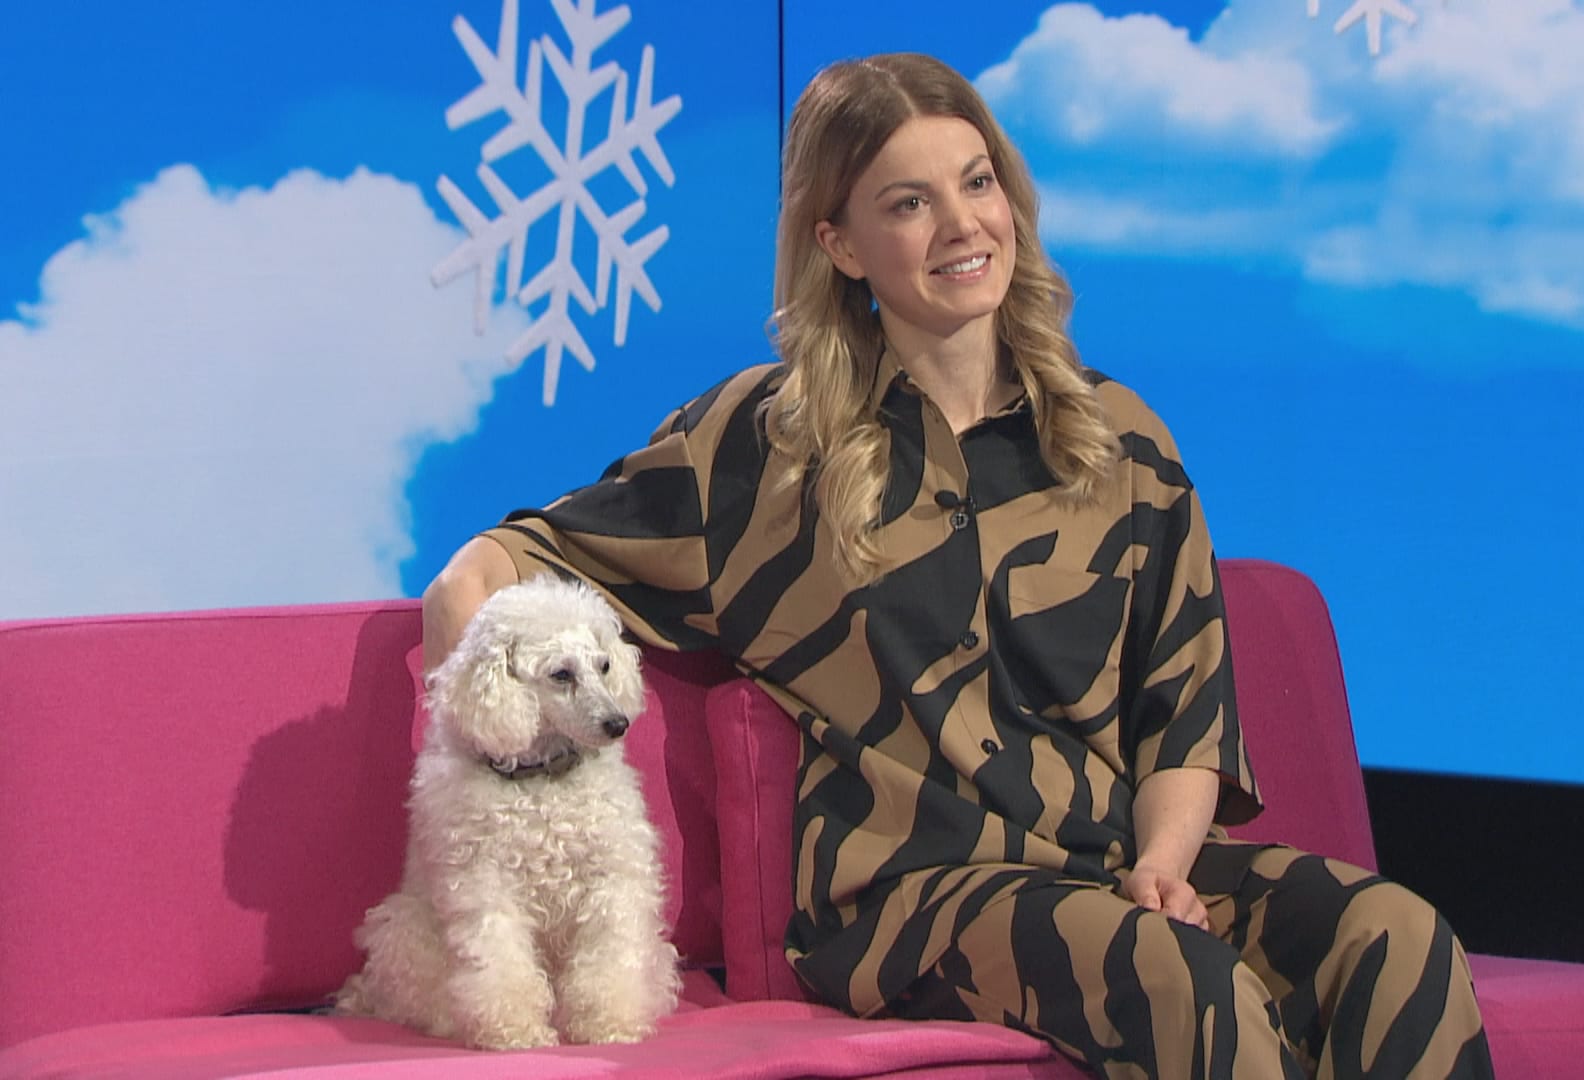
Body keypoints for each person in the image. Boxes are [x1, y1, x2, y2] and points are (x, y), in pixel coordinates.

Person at [424, 52, 1494, 1080]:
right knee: (1178, 981)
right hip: (909, 895)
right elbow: (499, 568)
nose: (962, 224)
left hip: (1110, 867)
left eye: (977, 183)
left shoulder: (1121, 442)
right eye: (909, 203)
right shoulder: (764, 448)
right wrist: (487, 754)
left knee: (1398, 938)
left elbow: (1184, 715)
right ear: (841, 245)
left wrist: (1163, 867)